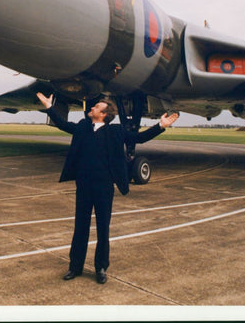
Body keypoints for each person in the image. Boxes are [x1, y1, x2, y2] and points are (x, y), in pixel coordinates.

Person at [36, 92, 179, 284]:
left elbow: (139, 138)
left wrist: (160, 125)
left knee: (103, 228)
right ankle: (75, 266)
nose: (92, 108)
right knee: (80, 228)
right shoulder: (83, 127)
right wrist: (49, 107)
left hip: (104, 188)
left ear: (103, 114)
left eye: (96, 108)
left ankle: (101, 267)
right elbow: (63, 124)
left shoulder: (116, 132)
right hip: (84, 187)